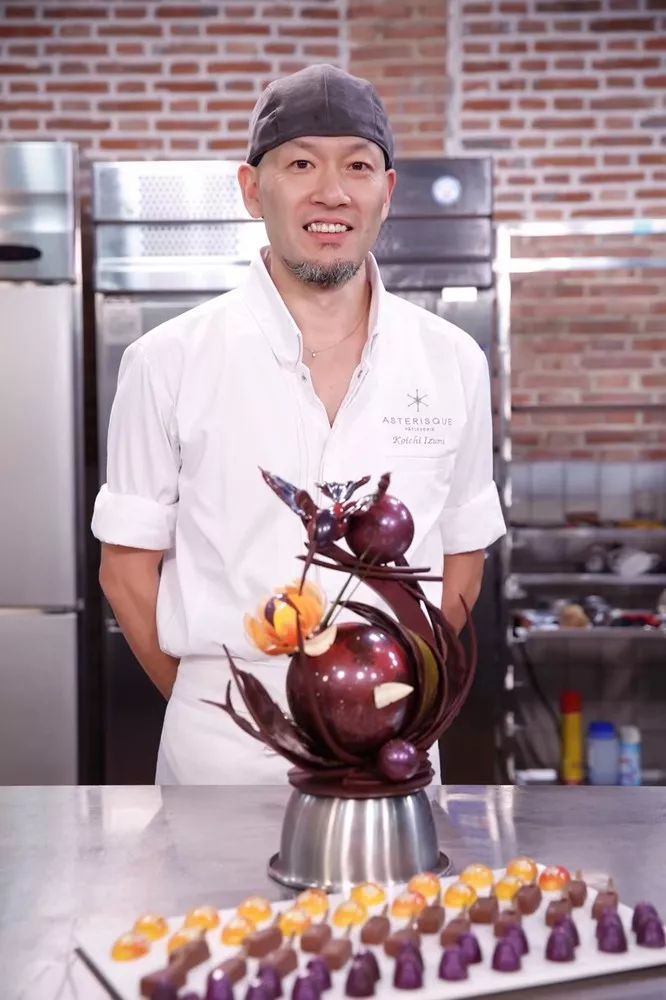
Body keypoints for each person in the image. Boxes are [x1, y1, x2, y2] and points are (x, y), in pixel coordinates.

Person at [92, 63, 506, 785]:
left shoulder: (453, 360)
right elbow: (126, 570)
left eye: (358, 166)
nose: (332, 192)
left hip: (392, 747)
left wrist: (401, 698)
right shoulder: (166, 360)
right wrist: (222, 709)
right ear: (253, 190)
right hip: (223, 751)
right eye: (302, 164)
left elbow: (463, 557)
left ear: (386, 193)